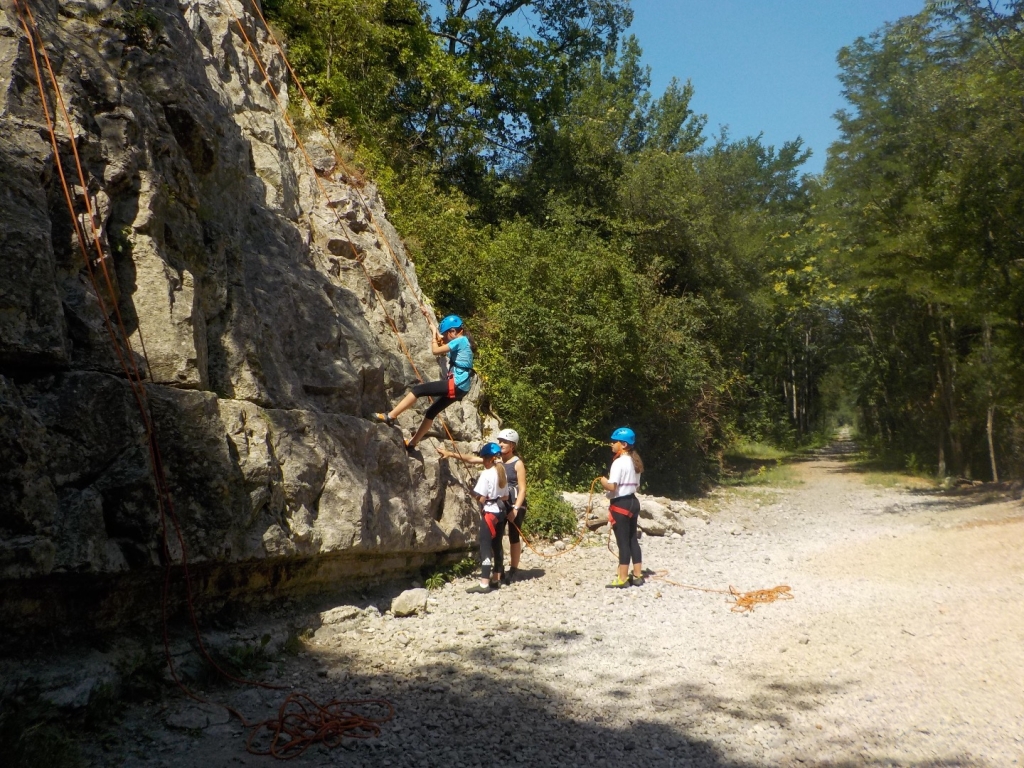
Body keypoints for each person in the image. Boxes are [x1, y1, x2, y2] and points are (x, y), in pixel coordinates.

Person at [439, 428, 527, 584]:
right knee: (497, 537)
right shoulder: (496, 459)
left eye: (504, 442)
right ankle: (498, 572)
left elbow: (522, 488)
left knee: (514, 535)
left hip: (513, 503)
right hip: (500, 504)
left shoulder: (517, 463)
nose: (501, 444)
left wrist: (515, 509)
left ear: (512, 445)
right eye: (500, 441)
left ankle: (513, 569)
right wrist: (451, 454)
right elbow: (473, 459)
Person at [375, 314, 474, 452]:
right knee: (431, 411)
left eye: (446, 336)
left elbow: (435, 351)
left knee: (418, 390)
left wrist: (434, 334)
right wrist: (429, 320)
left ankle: (390, 416)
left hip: (456, 384)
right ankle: (412, 444)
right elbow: (441, 340)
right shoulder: (463, 343)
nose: (444, 339)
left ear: (453, 331)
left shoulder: (460, 340)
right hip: (462, 387)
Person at [598, 427, 644, 588]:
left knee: (622, 542)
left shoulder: (618, 463)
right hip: (633, 502)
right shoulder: (635, 461)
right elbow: (636, 486)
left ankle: (622, 578)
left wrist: (602, 481)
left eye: (614, 441)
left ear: (623, 444)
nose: (611, 444)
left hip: (621, 504)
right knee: (632, 539)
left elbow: (612, 487)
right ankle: (638, 575)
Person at [466, 442, 511, 593]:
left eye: (483, 459)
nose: (483, 462)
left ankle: (484, 583)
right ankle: (496, 578)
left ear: (488, 459)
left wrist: (472, 492)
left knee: (485, 545)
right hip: (501, 512)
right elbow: (505, 496)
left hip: (490, 513)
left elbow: (482, 498)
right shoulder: (502, 472)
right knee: (497, 544)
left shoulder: (486, 474)